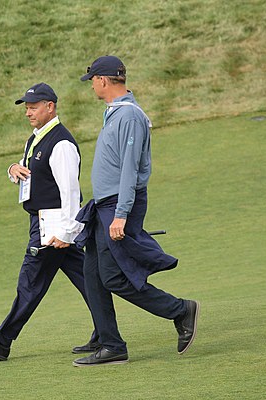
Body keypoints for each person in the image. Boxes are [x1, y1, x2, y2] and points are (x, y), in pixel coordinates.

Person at [72, 56, 200, 367]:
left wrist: (121, 214)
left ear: (103, 80)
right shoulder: (115, 113)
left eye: (92, 80)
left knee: (113, 277)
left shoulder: (129, 117)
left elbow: (129, 170)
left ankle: (180, 310)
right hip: (104, 205)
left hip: (117, 205)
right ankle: (110, 342)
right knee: (92, 274)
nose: (91, 86)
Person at [0, 82, 99, 361]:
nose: (28, 113)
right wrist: (12, 169)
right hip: (46, 223)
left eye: (33, 107)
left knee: (30, 283)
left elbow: (70, 192)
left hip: (52, 227)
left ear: (50, 107)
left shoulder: (61, 143)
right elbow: (29, 170)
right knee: (88, 280)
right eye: (26, 108)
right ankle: (106, 335)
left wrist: (67, 231)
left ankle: (1, 342)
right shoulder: (37, 137)